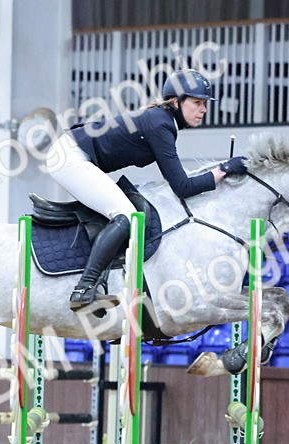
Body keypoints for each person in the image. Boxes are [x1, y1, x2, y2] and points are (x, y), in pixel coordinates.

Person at [46, 68, 248, 311]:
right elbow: (182, 187)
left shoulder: (161, 120)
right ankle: (84, 289)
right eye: (197, 102)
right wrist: (224, 169)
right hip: (69, 157)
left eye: (205, 103)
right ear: (176, 101)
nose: (203, 109)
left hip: (75, 153)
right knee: (127, 216)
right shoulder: (160, 124)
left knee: (126, 212)